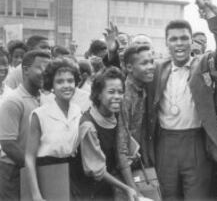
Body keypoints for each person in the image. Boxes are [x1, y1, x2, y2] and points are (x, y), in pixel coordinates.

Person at [142, 0, 217, 200]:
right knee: (167, 197)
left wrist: (211, 14)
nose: (180, 43)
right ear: (166, 42)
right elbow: (129, 73)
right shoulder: (157, 69)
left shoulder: (204, 63)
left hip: (196, 143)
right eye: (173, 39)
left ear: (191, 40)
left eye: (184, 38)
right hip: (165, 143)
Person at [70, 67, 137, 201]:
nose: (117, 97)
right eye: (111, 92)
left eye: (120, 92)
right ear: (98, 94)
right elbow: (97, 171)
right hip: (90, 191)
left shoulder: (117, 115)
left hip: (108, 187)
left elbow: (123, 147)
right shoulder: (88, 125)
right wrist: (127, 188)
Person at [25, 57, 82, 201]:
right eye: (60, 81)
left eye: (70, 80)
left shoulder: (77, 111)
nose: (66, 85)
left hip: (73, 175)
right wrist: (35, 194)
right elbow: (29, 157)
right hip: (48, 173)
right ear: (51, 85)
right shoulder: (40, 114)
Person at [0, 50, 50, 200]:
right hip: (13, 171)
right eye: (40, 68)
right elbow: (8, 144)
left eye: (48, 69)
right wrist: (32, 167)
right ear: (26, 70)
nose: (45, 73)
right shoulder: (13, 101)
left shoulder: (46, 99)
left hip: (35, 169)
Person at [116, 45, 155, 194]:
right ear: (129, 67)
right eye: (145, 63)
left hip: (139, 164)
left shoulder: (144, 88)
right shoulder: (124, 96)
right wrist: (132, 188)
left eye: (152, 62)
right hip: (125, 172)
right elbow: (121, 146)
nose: (151, 67)